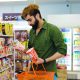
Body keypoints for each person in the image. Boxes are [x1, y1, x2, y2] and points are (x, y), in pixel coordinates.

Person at [21, 4, 67, 80]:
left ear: (37, 15)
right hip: (34, 73)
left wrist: (44, 60)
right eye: (27, 21)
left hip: (48, 73)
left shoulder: (52, 29)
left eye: (30, 20)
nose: (29, 23)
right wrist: (23, 50)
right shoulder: (32, 31)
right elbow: (31, 50)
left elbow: (62, 51)